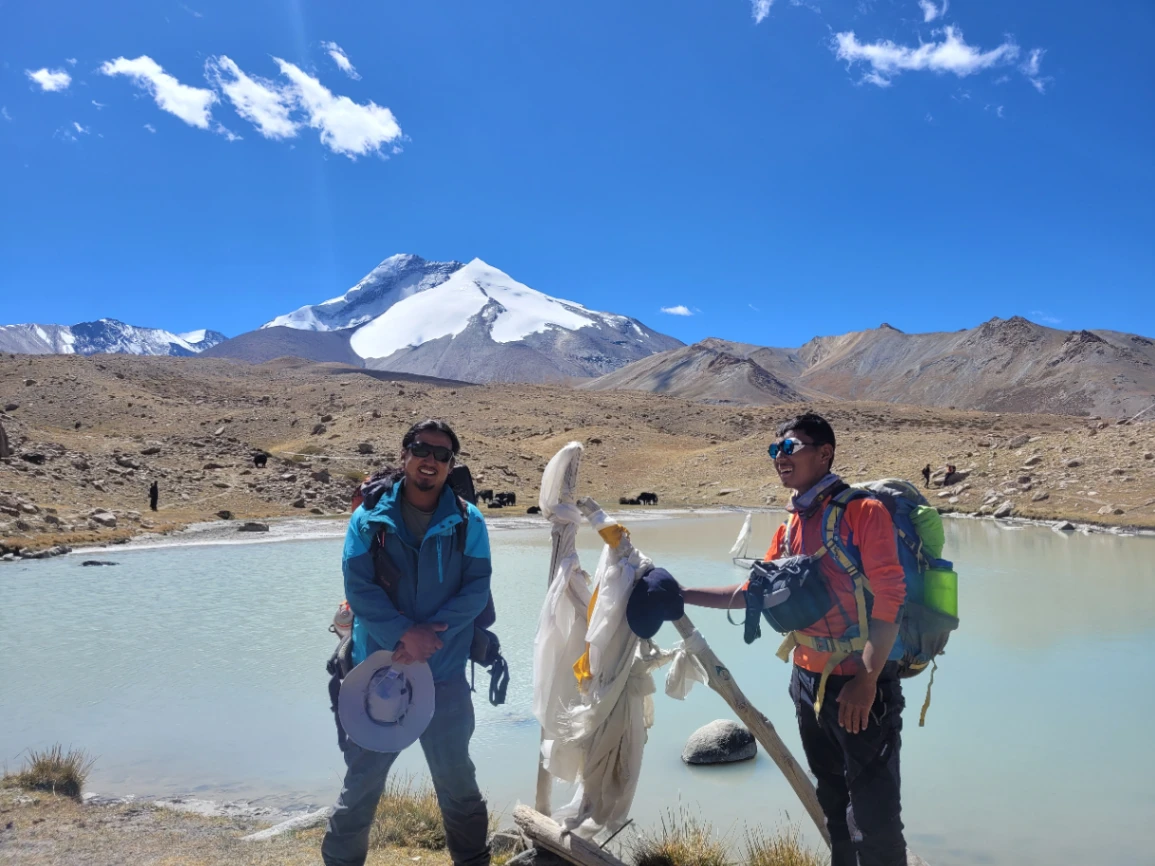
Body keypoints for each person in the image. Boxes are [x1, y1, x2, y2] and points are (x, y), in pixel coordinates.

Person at [681, 413, 908, 866]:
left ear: (825, 454)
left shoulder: (862, 512)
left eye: (790, 448)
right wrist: (680, 594)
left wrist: (866, 680)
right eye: (774, 451)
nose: (779, 458)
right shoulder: (789, 527)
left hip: (862, 687)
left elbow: (892, 596)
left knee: (874, 818)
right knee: (832, 804)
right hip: (806, 682)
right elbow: (753, 594)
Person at [322, 419, 492, 866]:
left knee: (458, 782)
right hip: (376, 671)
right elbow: (358, 587)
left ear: (451, 464)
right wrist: (405, 634)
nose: (430, 461)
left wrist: (428, 638)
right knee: (361, 787)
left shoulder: (468, 520)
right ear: (405, 456)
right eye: (422, 449)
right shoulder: (368, 519)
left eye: (441, 455)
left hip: (445, 675)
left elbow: (476, 589)